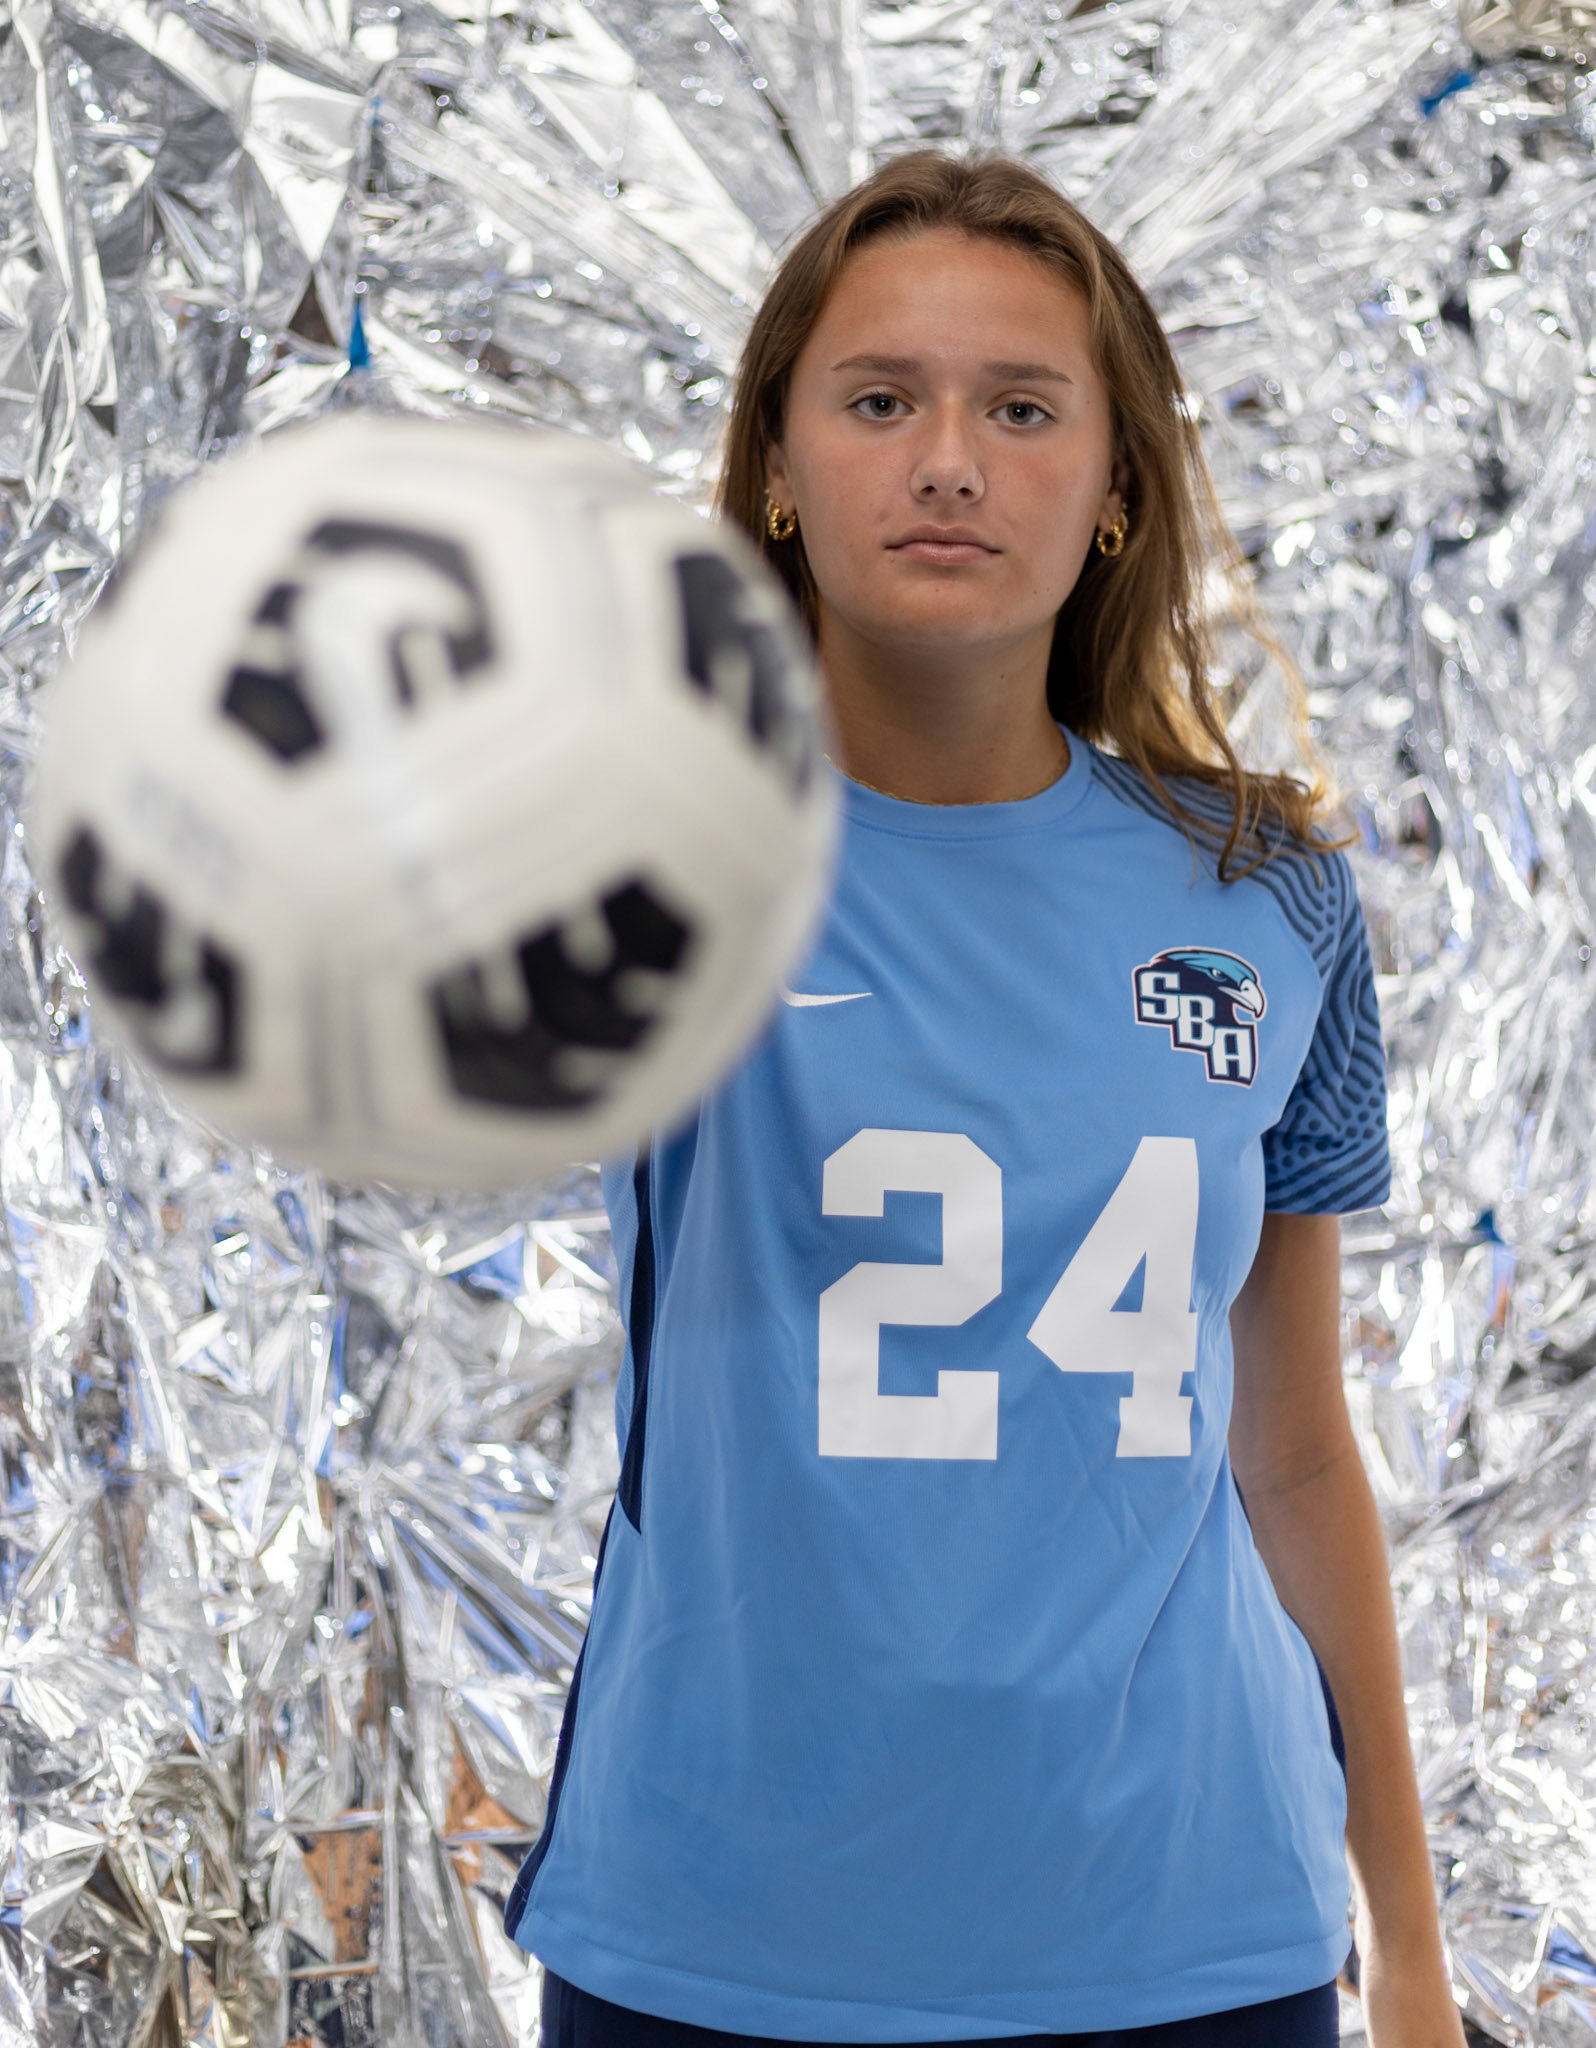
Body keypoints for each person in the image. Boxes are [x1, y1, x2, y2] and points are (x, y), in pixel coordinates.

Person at [505, 152, 1465, 2048]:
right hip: (710, 1942)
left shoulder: (1266, 897)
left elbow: (1291, 1449)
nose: (949, 459)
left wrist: (1414, 1952)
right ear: (779, 465)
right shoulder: (642, 852)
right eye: (880, 400)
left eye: (1022, 408)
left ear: (1114, 487)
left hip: (1193, 1941)